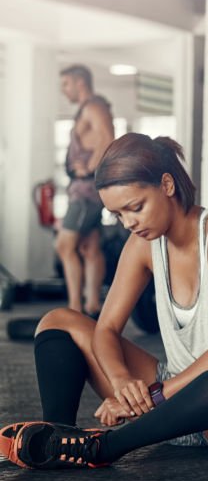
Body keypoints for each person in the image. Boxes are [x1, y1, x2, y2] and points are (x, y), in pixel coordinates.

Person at [1, 133, 208, 469]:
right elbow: (107, 328)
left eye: (135, 207)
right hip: (169, 402)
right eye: (118, 215)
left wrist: (156, 395)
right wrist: (121, 383)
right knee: (59, 319)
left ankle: (105, 448)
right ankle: (56, 440)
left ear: (167, 185)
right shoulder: (143, 243)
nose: (129, 222)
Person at [56, 64, 115, 317]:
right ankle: (92, 306)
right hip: (85, 190)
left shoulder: (93, 107)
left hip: (86, 192)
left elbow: (109, 139)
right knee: (89, 248)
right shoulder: (85, 110)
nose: (64, 91)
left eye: (66, 84)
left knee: (64, 246)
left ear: (80, 83)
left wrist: (89, 169)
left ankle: (74, 309)